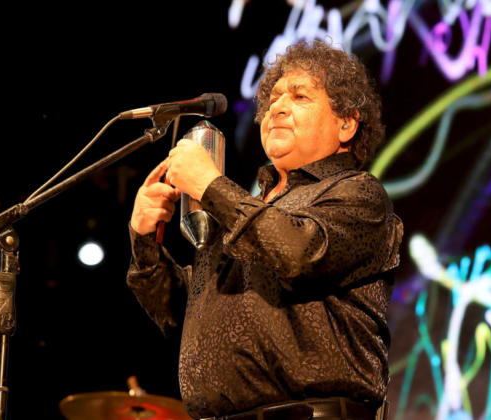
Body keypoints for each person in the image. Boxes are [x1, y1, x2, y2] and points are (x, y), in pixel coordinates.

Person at [127, 40, 403, 420]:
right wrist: (145, 240)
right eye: (273, 99)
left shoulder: (358, 193)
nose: (278, 107)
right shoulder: (245, 214)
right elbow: (180, 316)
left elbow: (298, 254)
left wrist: (210, 185)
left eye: (300, 96)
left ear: (346, 124)